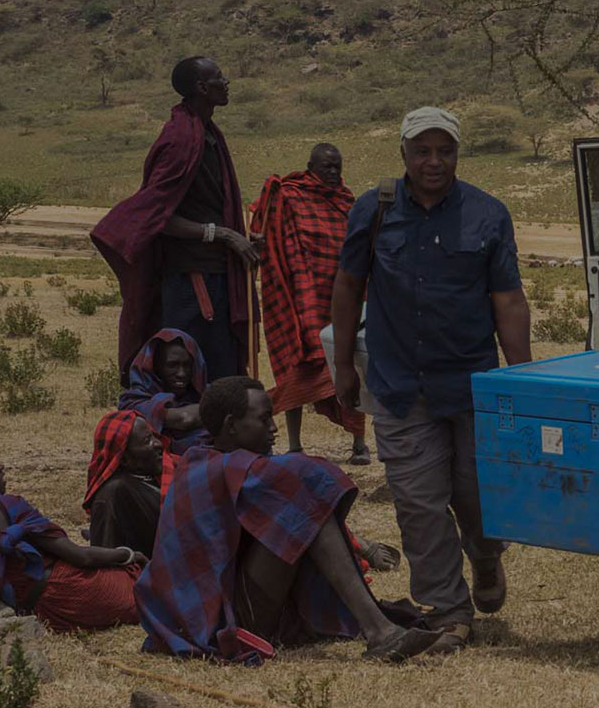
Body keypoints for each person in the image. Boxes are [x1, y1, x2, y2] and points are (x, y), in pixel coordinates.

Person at [330, 106, 531, 652]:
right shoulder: (374, 210)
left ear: (458, 155)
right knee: (418, 503)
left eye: (445, 151)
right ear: (403, 154)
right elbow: (348, 286)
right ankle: (447, 609)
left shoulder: (487, 214)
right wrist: (343, 364)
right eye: (423, 150)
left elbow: (508, 300)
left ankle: (486, 555)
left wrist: (525, 381)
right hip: (398, 384)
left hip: (472, 384)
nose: (433, 161)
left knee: (476, 496)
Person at [135, 377, 438, 664]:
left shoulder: (218, 462)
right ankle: (379, 630)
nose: (274, 429)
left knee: (300, 504)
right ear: (231, 425)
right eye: (264, 419)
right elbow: (307, 473)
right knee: (300, 505)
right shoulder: (207, 469)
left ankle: (378, 627)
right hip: (218, 620)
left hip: (238, 600)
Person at [92, 56, 258, 383]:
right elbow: (158, 216)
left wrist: (241, 238)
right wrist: (222, 234)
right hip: (192, 279)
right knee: (192, 371)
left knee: (220, 367)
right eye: (220, 77)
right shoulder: (180, 138)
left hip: (215, 272)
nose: (226, 83)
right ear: (201, 87)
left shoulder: (206, 134)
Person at [248, 143, 369, 464]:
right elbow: (269, 236)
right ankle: (295, 445)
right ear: (310, 166)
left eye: (337, 167)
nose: (333, 173)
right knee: (298, 364)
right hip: (301, 298)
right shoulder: (289, 197)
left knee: (353, 363)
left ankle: (359, 443)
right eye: (326, 167)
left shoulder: (347, 202)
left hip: (343, 300)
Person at [0, 436, 146, 633]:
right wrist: (127, 555)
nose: (0, 466)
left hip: (42, 610)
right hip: (73, 590)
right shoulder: (10, 507)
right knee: (150, 585)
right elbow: (82, 556)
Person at [85, 410, 178, 558]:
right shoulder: (114, 494)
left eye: (153, 436)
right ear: (124, 459)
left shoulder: (166, 472)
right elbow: (110, 562)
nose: (158, 444)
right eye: (147, 440)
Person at [119, 329, 211, 454]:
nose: (181, 373)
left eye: (187, 365)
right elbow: (185, 418)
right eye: (172, 365)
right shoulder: (133, 403)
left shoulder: (204, 393)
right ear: (156, 367)